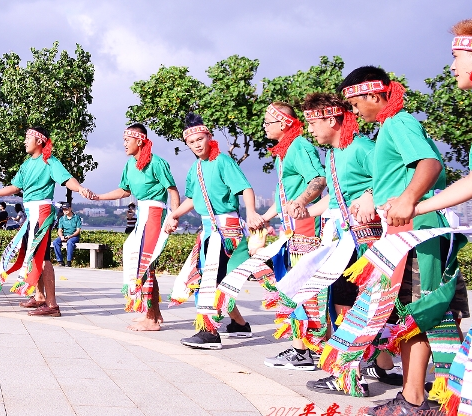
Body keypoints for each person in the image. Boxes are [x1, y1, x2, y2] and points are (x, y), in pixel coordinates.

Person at [328, 66, 466, 416]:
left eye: (354, 102)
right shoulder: (392, 127)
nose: (353, 111)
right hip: (408, 232)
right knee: (426, 314)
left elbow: (430, 164)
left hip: (414, 234)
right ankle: (434, 392)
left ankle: (413, 399)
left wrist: (406, 199)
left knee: (414, 314)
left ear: (374, 95)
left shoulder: (397, 123)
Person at [298, 93, 396, 397]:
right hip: (347, 240)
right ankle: (374, 366)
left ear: (331, 119)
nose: (310, 130)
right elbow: (337, 198)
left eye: (313, 122)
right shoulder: (332, 155)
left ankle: (353, 374)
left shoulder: (364, 148)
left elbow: (389, 180)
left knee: (361, 305)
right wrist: (305, 206)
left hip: (369, 242)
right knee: (343, 302)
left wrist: (370, 193)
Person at [406, 23, 472, 416]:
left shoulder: (399, 126)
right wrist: (416, 207)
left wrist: (411, 204)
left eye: (458, 56)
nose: (452, 66)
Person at [164, 114, 264, 350]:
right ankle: (239, 324)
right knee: (213, 279)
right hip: (208, 231)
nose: (197, 144)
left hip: (226, 231)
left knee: (213, 280)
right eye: (192, 142)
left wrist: (250, 212)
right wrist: (174, 215)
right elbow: (192, 199)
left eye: (201, 139)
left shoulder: (223, 161)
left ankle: (209, 333)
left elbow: (245, 188)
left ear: (209, 137)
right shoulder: (196, 168)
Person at [0, 126, 96, 318]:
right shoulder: (26, 165)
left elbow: (67, 179)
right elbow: (14, 186)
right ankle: (39, 296)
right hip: (31, 213)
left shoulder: (50, 161)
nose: (24, 141)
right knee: (32, 254)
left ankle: (52, 304)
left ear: (39, 141)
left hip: (42, 213)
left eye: (27, 137)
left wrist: (79, 189)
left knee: (43, 258)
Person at [260, 102, 329, 372]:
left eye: (268, 121)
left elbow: (319, 179)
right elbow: (282, 197)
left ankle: (304, 352)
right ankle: (304, 348)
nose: (265, 126)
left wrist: (300, 201)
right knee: (294, 287)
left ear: (284, 123)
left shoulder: (300, 146)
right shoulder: (283, 153)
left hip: (306, 227)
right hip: (292, 228)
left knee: (303, 288)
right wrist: (264, 218)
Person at [95, 124, 181, 331]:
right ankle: (155, 313)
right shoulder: (129, 164)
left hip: (154, 215)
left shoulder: (157, 162)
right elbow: (124, 191)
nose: (124, 144)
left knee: (144, 264)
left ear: (139, 140)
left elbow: (173, 190)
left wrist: (174, 216)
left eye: (127, 140)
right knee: (140, 260)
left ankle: (150, 319)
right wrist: (99, 197)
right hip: (143, 215)